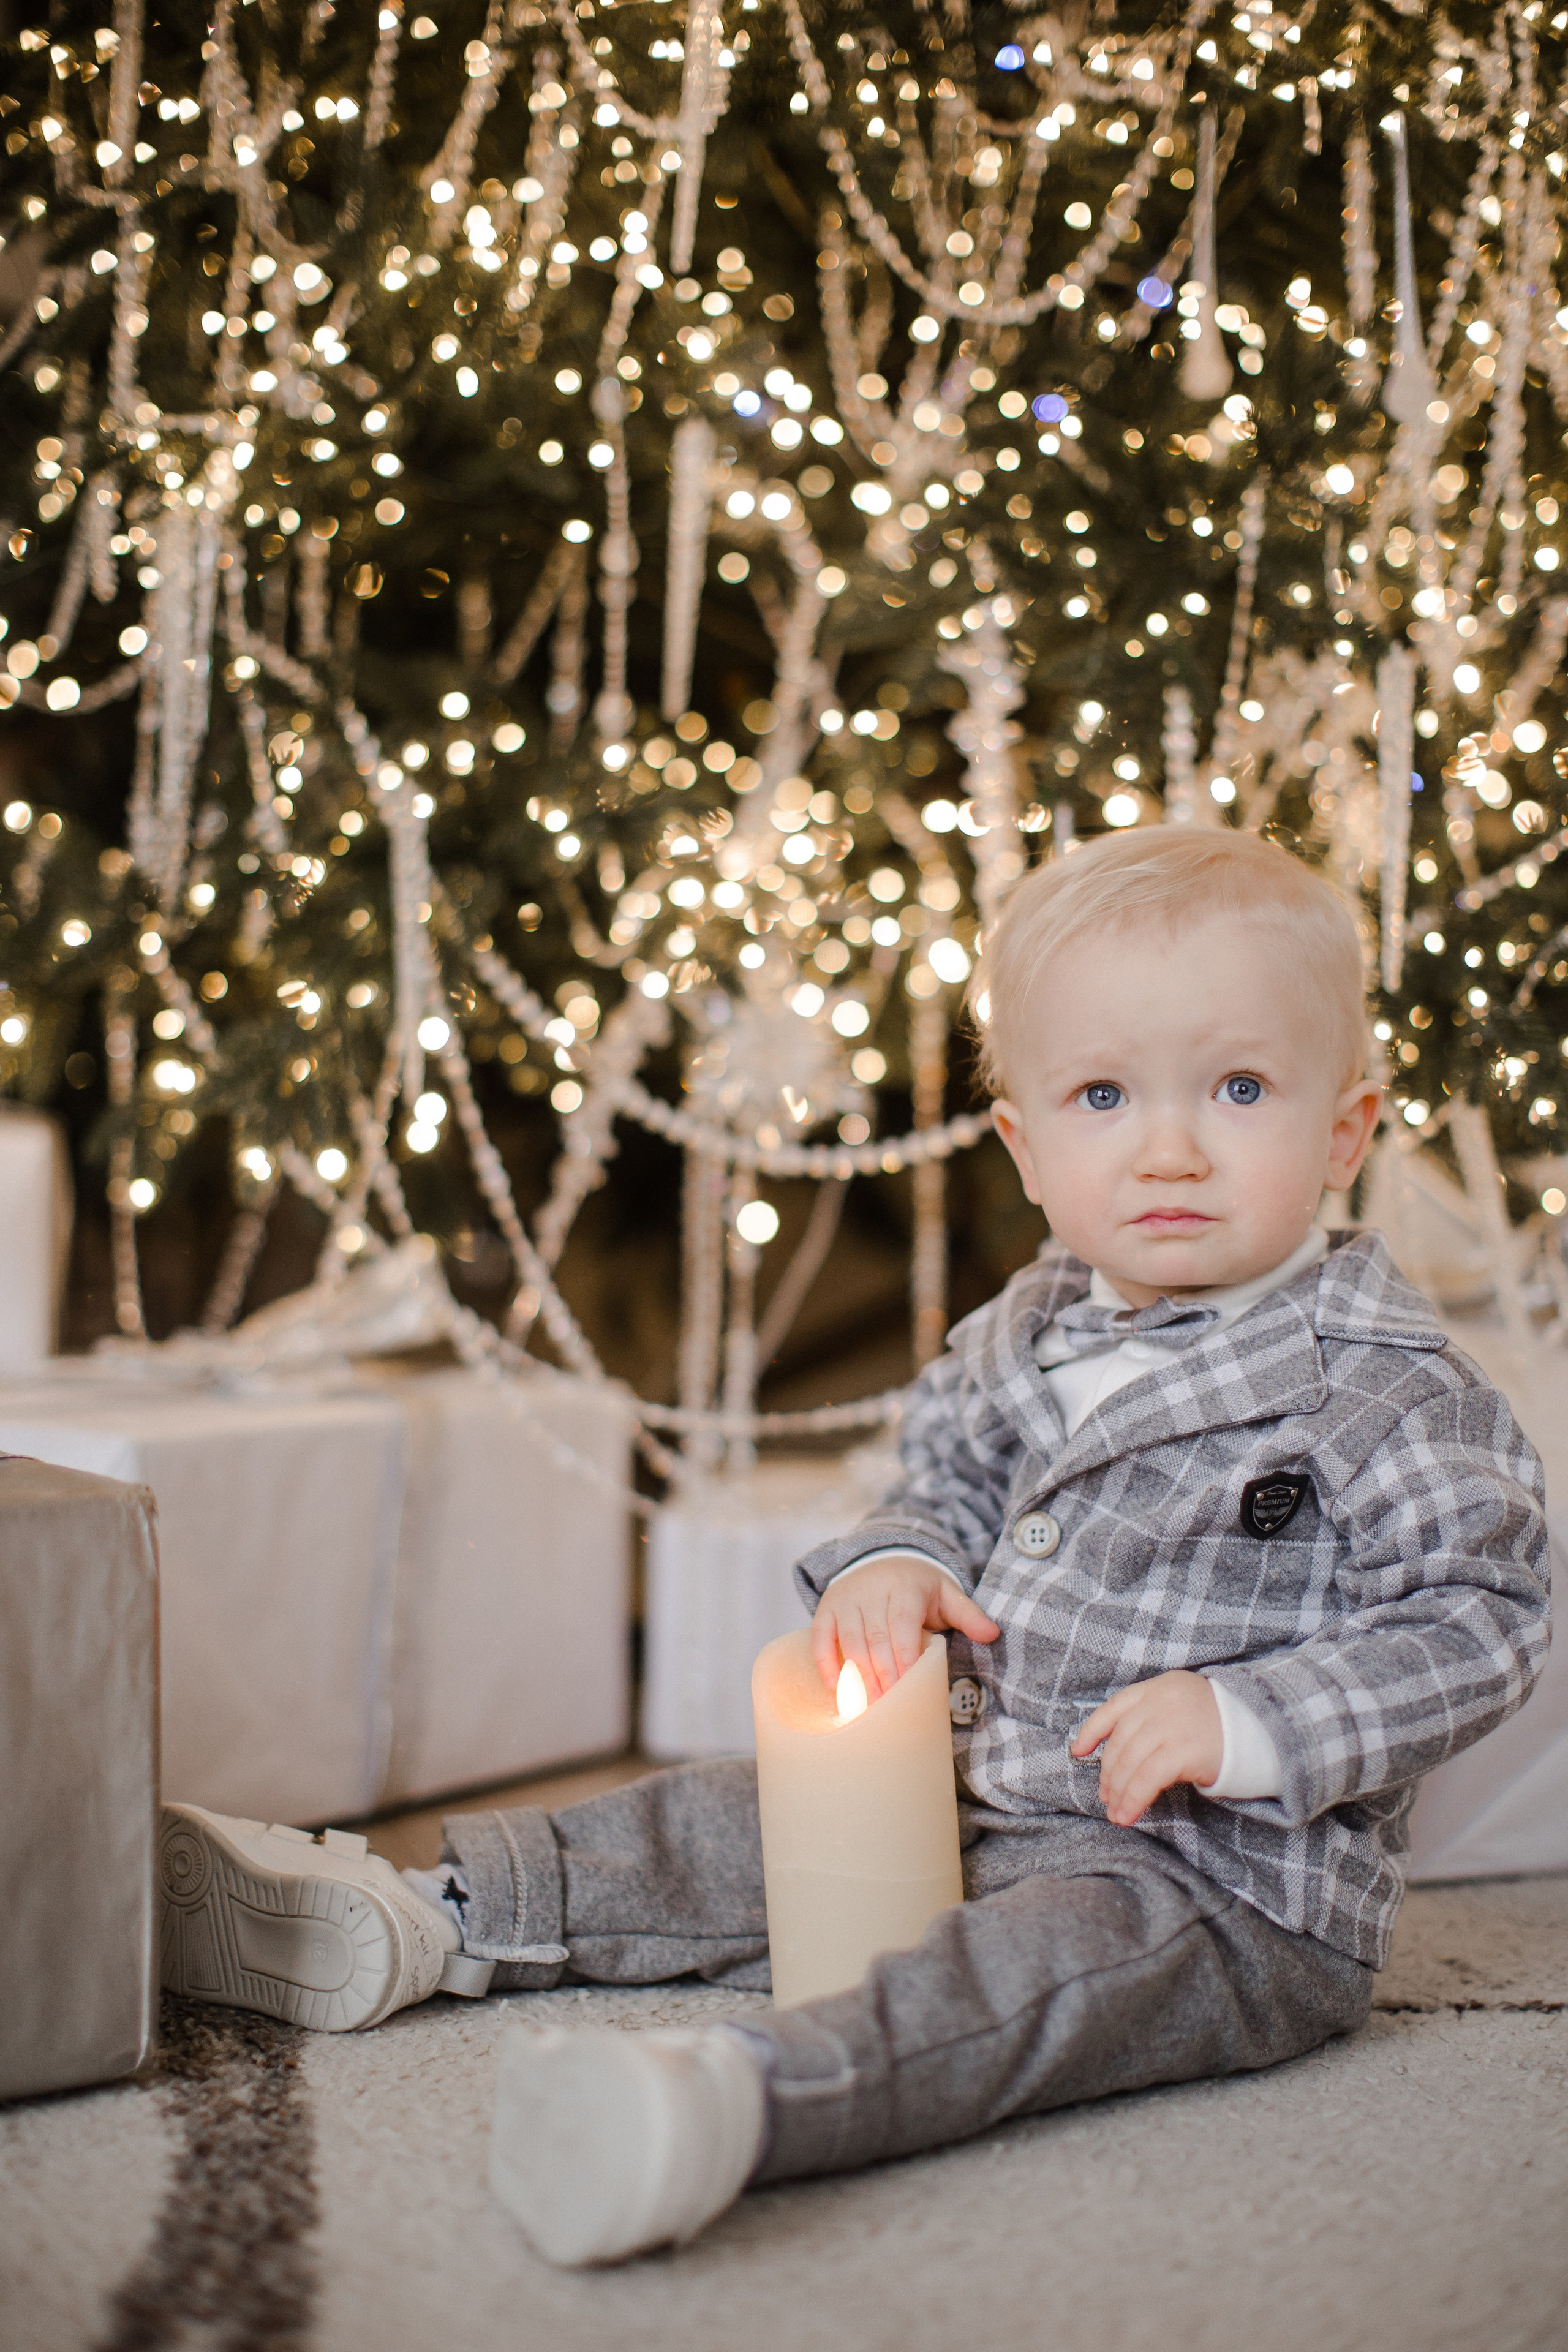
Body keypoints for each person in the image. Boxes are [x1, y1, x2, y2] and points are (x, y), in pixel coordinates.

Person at [159, 826, 1550, 2269]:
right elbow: (936, 1478)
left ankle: (736, 2103)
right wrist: (897, 1563)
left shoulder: (1381, 1386)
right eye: (1101, 1095)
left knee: (1004, 1986)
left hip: (1209, 1886)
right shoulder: (1027, 1330)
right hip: (961, 1788)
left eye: (1239, 1089)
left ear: (1344, 1130)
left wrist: (1250, 1718)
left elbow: (1484, 1611)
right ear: (1023, 1146)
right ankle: (435, 1916)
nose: (1169, 1149)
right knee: (723, 1822)